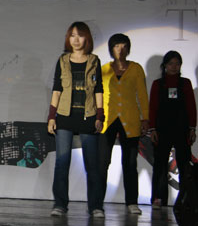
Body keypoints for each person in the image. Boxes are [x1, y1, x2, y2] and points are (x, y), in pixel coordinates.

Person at [47, 21, 104, 218]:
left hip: (88, 116)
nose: (76, 39)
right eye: (72, 35)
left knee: (92, 165)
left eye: (80, 35)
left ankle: (96, 206)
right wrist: (51, 117)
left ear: (87, 38)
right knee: (62, 163)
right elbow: (57, 89)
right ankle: (60, 204)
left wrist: (100, 115)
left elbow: (98, 90)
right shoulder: (62, 61)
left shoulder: (94, 61)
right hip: (64, 116)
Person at [98, 34, 148, 214]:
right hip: (107, 120)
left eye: (124, 45)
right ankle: (98, 204)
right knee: (102, 163)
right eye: (117, 46)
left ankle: (132, 202)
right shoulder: (104, 69)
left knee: (129, 163)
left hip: (130, 120)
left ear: (128, 48)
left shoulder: (136, 69)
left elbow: (142, 95)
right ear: (111, 49)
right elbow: (99, 95)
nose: (120, 49)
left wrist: (145, 119)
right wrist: (97, 117)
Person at [149, 51, 196, 209]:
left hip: (182, 129)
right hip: (162, 130)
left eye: (177, 64)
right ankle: (158, 198)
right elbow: (153, 107)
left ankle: (186, 199)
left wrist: (192, 128)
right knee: (160, 165)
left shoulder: (186, 83)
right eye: (171, 63)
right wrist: (152, 129)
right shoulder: (157, 84)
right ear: (165, 66)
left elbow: (191, 107)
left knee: (184, 166)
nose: (174, 67)